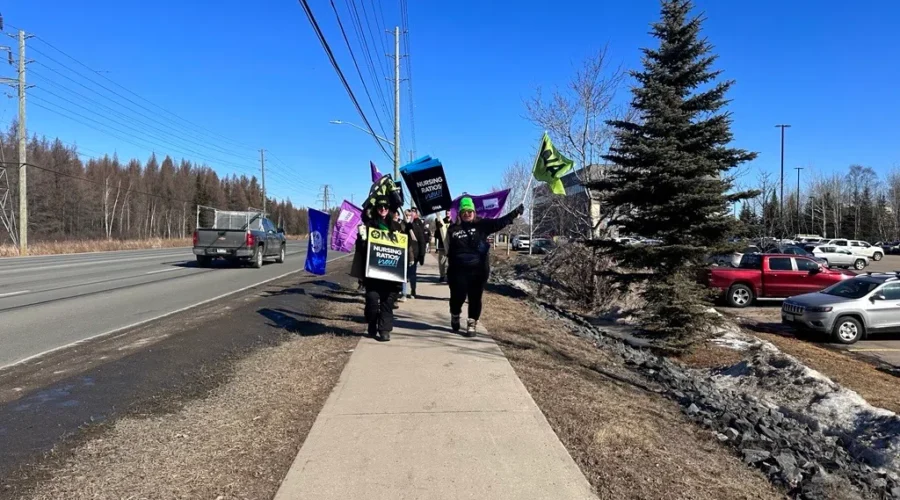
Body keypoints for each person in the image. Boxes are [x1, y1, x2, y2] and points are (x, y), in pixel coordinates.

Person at [447, 197, 524, 336]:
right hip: (458, 271)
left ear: (474, 212)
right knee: (457, 297)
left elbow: (499, 223)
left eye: (470, 211)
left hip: (478, 270)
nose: (467, 214)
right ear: (459, 213)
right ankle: (455, 314)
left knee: (475, 297)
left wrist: (515, 213)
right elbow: (449, 251)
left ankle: (472, 322)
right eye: (464, 211)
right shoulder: (452, 229)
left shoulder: (482, 224)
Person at [356, 196, 404, 341]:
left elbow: (404, 248)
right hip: (373, 273)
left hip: (391, 273)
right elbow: (361, 250)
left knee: (387, 302)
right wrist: (362, 239)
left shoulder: (396, 227)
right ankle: (372, 321)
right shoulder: (369, 225)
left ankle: (384, 329)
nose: (383, 209)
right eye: (380, 207)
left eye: (385, 207)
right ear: (376, 209)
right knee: (372, 300)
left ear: (389, 209)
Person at [408, 208, 427, 298]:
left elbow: (422, 241)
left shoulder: (418, 225)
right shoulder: (403, 225)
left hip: (414, 254)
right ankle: (403, 292)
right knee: (404, 273)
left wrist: (422, 255)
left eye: (413, 213)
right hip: (404, 253)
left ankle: (413, 289)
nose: (411, 214)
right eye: (409, 213)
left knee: (412, 273)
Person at [434, 210, 451, 282]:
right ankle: (442, 275)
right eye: (446, 211)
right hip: (443, 246)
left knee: (451, 263)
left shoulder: (454, 221)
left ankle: (450, 276)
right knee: (442, 262)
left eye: (449, 211)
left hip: (451, 247)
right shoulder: (441, 221)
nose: (447, 212)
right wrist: (438, 228)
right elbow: (436, 235)